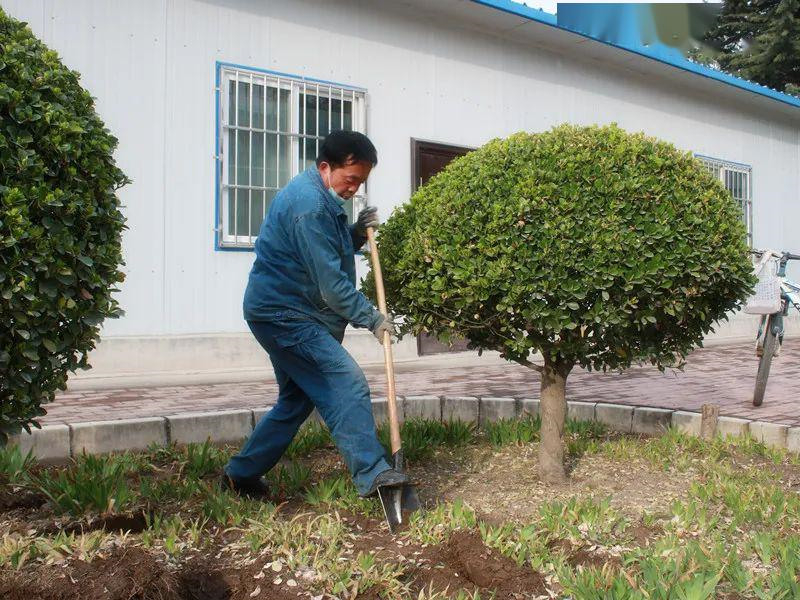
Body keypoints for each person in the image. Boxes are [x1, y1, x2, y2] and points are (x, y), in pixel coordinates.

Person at [221, 130, 408, 499]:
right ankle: (373, 474)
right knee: (346, 382)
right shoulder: (309, 205)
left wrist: (355, 233)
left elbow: (321, 251)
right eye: (350, 179)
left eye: (361, 182)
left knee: (295, 401)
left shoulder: (321, 196)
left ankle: (239, 475)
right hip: (284, 316)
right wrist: (372, 319)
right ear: (326, 167)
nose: (354, 189)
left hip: (284, 310)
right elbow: (331, 285)